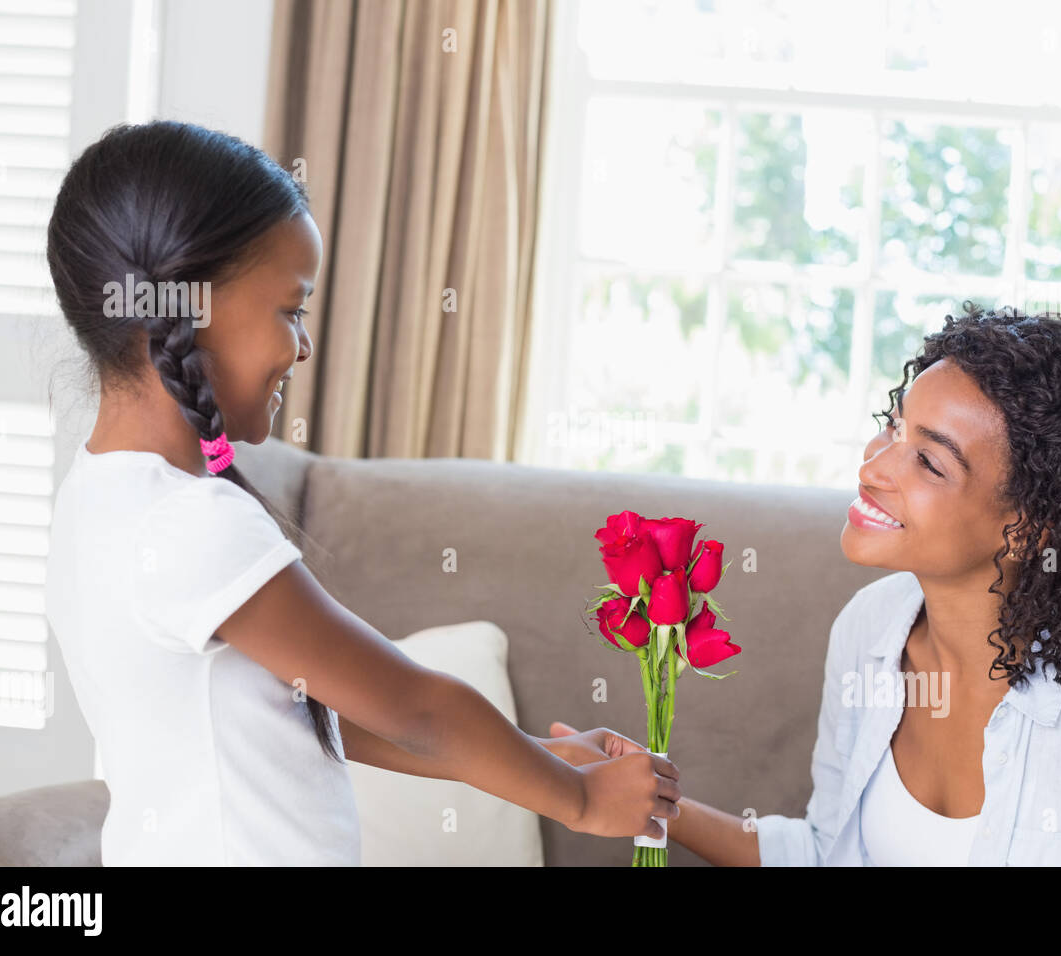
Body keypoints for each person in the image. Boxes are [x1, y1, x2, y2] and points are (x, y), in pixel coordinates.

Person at [43, 120, 679, 866]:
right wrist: (581, 801)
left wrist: (542, 759)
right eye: (291, 309)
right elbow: (416, 708)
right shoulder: (188, 525)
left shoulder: (100, 501)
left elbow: (327, 709)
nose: (303, 345)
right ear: (194, 303)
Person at [553, 305, 1061, 866]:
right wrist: (652, 799)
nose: (875, 466)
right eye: (893, 427)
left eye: (928, 460)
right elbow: (827, 850)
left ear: (1028, 528)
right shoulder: (871, 629)